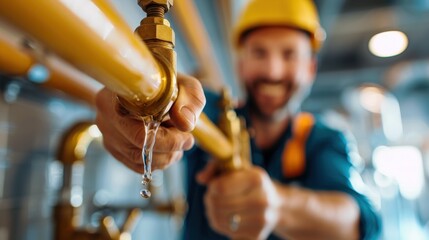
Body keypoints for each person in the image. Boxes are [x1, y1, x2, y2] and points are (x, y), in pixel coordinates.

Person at [95, 0, 381, 239]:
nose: (273, 70)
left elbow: (360, 222)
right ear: (241, 63)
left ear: (310, 68)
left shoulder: (324, 140)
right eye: (260, 53)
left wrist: (278, 205)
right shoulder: (212, 114)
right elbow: (174, 103)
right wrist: (133, 100)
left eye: (289, 54)